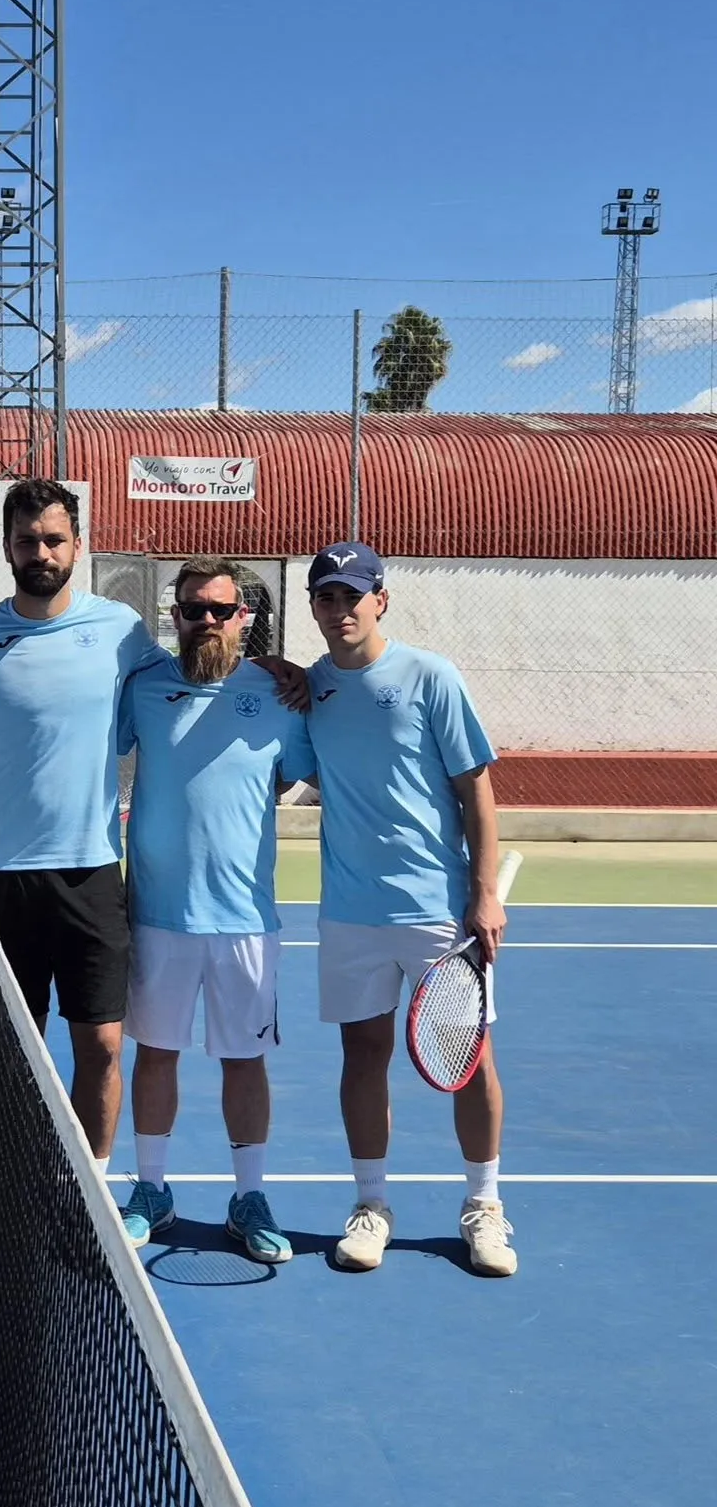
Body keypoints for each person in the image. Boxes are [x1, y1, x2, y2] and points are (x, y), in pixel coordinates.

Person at [0, 479, 165, 1179]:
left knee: (104, 1046)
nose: (41, 552)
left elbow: (193, 688)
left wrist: (270, 673)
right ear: (6, 547)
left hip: (91, 875)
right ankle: (4, 1185)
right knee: (6, 1055)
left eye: (54, 539)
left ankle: (90, 1190)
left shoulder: (122, 633)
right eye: (27, 540)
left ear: (77, 547)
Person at [302, 542, 517, 1277]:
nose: (341, 610)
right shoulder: (311, 690)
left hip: (438, 913)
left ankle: (484, 1206)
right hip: (351, 912)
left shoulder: (433, 676)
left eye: (352, 596)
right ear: (315, 608)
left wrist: (483, 893)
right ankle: (371, 1206)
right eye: (326, 598)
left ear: (380, 600)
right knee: (363, 1055)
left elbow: (477, 793)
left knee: (469, 1060)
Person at [116, 557, 316, 1264]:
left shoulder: (279, 694)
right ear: (175, 615)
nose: (207, 620)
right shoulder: (142, 687)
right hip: (158, 919)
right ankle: (150, 1190)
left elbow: (300, 771)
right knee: (156, 1056)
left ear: (245, 618)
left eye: (221, 610)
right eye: (193, 608)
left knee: (244, 1063)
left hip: (244, 923)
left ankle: (249, 1198)